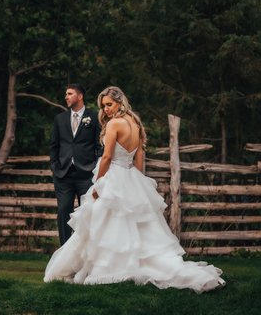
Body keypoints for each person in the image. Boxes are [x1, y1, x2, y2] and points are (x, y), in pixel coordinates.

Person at [44, 86, 225, 293]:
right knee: (129, 225)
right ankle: (136, 264)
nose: (106, 110)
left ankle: (110, 267)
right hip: (130, 176)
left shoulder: (114, 124)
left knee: (104, 222)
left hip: (113, 176)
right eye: (103, 106)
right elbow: (139, 159)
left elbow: (106, 157)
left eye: (109, 105)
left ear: (121, 102)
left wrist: (99, 183)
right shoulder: (136, 123)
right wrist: (136, 182)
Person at [50, 83, 102, 245]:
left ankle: (85, 251)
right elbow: (54, 145)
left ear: (80, 96)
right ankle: (65, 251)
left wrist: (95, 167)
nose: (66, 97)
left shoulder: (94, 117)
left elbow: (99, 145)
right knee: (63, 210)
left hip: (86, 174)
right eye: (66, 94)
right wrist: (55, 166)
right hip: (63, 174)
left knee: (87, 213)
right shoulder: (60, 119)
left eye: (70, 93)